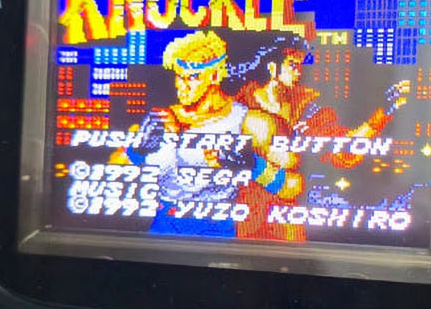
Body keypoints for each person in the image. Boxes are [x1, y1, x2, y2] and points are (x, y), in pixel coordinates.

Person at [229, 33, 410, 240]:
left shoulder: (307, 109)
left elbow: (344, 151)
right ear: (272, 67)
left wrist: (381, 115)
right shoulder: (238, 105)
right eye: (292, 64)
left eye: (300, 64)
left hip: (289, 222)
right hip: (244, 221)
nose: (299, 71)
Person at [123, 30, 299, 237]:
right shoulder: (161, 118)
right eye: (179, 76)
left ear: (215, 75)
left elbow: (292, 187)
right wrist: (136, 152)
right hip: (160, 233)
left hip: (218, 236)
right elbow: (113, 175)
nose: (182, 86)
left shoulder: (251, 122)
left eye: (192, 77)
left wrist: (253, 166)